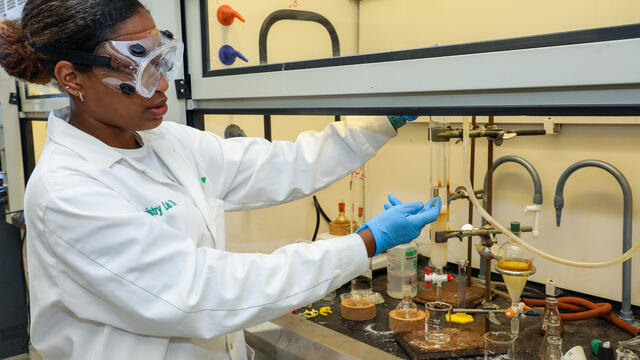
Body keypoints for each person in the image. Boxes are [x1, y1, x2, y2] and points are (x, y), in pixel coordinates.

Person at [0, 1, 441, 359]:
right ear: (71, 78)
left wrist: (385, 120)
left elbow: (279, 165)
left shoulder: (168, 143)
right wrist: (364, 243)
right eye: (139, 70)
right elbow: (201, 292)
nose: (162, 88)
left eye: (163, 62)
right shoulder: (67, 191)